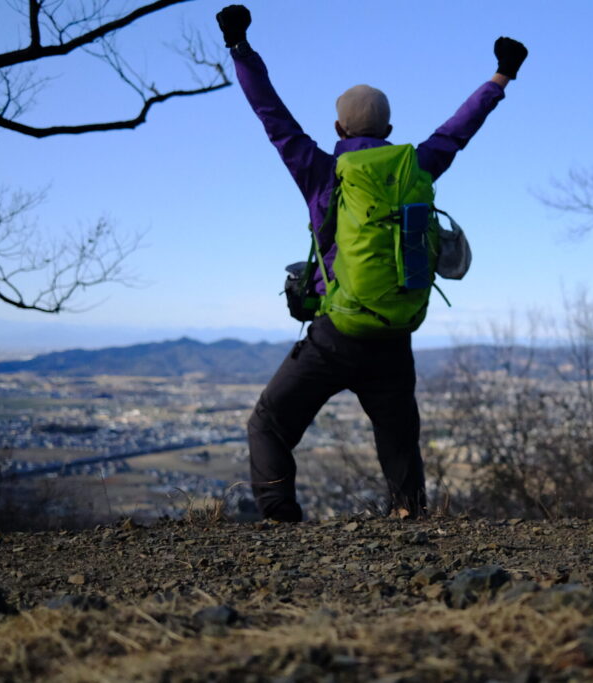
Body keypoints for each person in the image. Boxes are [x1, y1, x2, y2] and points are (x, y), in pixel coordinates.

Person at [216, 4, 527, 522]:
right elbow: (458, 129)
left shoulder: (323, 170)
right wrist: (501, 75)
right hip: (394, 332)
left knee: (268, 424)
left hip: (336, 332)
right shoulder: (418, 165)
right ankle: (408, 516)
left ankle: (278, 516)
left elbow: (272, 116)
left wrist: (240, 48)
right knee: (399, 438)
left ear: (338, 127)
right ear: (390, 128)